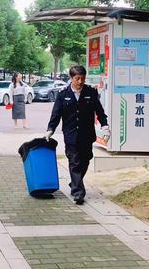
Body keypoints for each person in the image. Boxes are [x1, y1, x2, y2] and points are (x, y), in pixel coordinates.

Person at [45, 65, 110, 205]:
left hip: (87, 135)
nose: (80, 81)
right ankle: (79, 192)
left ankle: (74, 183)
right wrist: (50, 129)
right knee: (74, 161)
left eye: (82, 78)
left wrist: (105, 126)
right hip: (70, 135)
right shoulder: (63, 95)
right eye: (77, 78)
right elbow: (56, 115)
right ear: (71, 78)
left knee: (85, 160)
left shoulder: (90, 93)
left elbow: (99, 111)